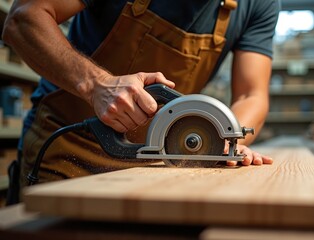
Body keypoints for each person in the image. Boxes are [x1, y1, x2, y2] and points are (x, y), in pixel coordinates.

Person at [3, 0, 278, 204]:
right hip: (67, 148)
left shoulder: (258, 4)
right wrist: (97, 84)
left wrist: (226, 141)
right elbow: (23, 18)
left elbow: (250, 95)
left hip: (161, 165)